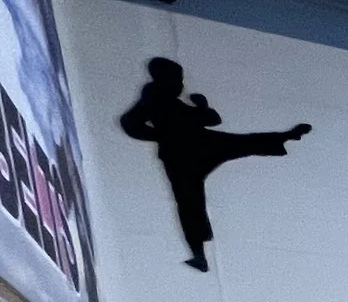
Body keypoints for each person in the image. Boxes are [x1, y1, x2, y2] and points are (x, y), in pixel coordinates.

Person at [119, 59, 310, 271]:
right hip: (185, 153)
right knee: (191, 202)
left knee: (236, 150)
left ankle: (284, 137)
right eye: (177, 80)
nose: (180, 85)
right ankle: (198, 253)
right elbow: (131, 123)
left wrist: (194, 113)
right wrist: (165, 134)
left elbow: (210, 119)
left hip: (195, 146)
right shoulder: (157, 100)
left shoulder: (165, 101)